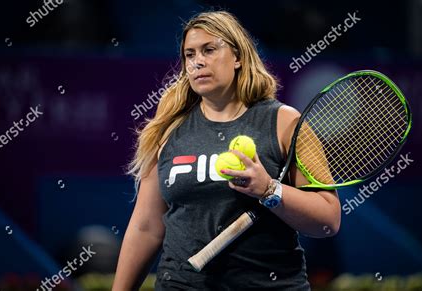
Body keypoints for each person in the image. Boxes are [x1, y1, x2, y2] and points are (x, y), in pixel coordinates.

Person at [113, 10, 341, 290]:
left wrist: (269, 190)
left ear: (238, 57)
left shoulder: (285, 122)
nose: (198, 61)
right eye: (190, 54)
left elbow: (328, 220)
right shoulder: (169, 130)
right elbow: (146, 227)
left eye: (209, 50)